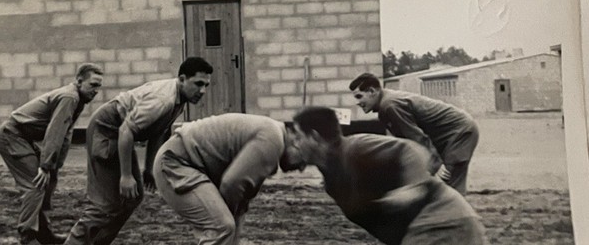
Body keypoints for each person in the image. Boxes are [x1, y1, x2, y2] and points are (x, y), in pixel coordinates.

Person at [62, 57, 214, 245]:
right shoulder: (163, 100)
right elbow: (126, 131)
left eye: (206, 85)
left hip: (120, 133)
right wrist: (126, 176)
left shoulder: (179, 99)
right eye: (198, 84)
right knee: (107, 204)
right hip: (106, 129)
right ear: (182, 79)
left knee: (132, 197)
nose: (202, 91)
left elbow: (157, 133)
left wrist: (149, 170)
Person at [292, 105, 487, 245]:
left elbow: (410, 149)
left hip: (443, 223)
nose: (296, 144)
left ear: (315, 138)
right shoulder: (332, 178)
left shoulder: (357, 149)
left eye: (299, 137)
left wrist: (414, 188)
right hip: (427, 227)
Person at [152, 112, 306, 245]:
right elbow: (230, 185)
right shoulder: (273, 139)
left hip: (188, 164)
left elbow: (240, 204)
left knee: (225, 226)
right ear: (297, 139)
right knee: (221, 226)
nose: (301, 168)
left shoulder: (272, 138)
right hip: (175, 163)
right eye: (304, 159)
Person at [0, 64, 104, 245]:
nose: (96, 91)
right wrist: (45, 166)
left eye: (99, 86)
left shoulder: (78, 99)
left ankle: (43, 233)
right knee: (35, 184)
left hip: (22, 138)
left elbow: (65, 135)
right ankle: (28, 235)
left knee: (49, 181)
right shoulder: (70, 97)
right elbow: (55, 132)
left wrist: (53, 167)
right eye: (93, 85)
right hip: (11, 136)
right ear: (79, 81)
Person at [349, 72, 480, 196]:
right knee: (433, 185)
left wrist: (436, 164)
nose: (357, 102)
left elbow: (415, 136)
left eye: (359, 96)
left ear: (372, 91)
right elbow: (404, 140)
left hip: (459, 132)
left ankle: (457, 217)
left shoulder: (390, 105)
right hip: (444, 135)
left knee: (448, 185)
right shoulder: (385, 105)